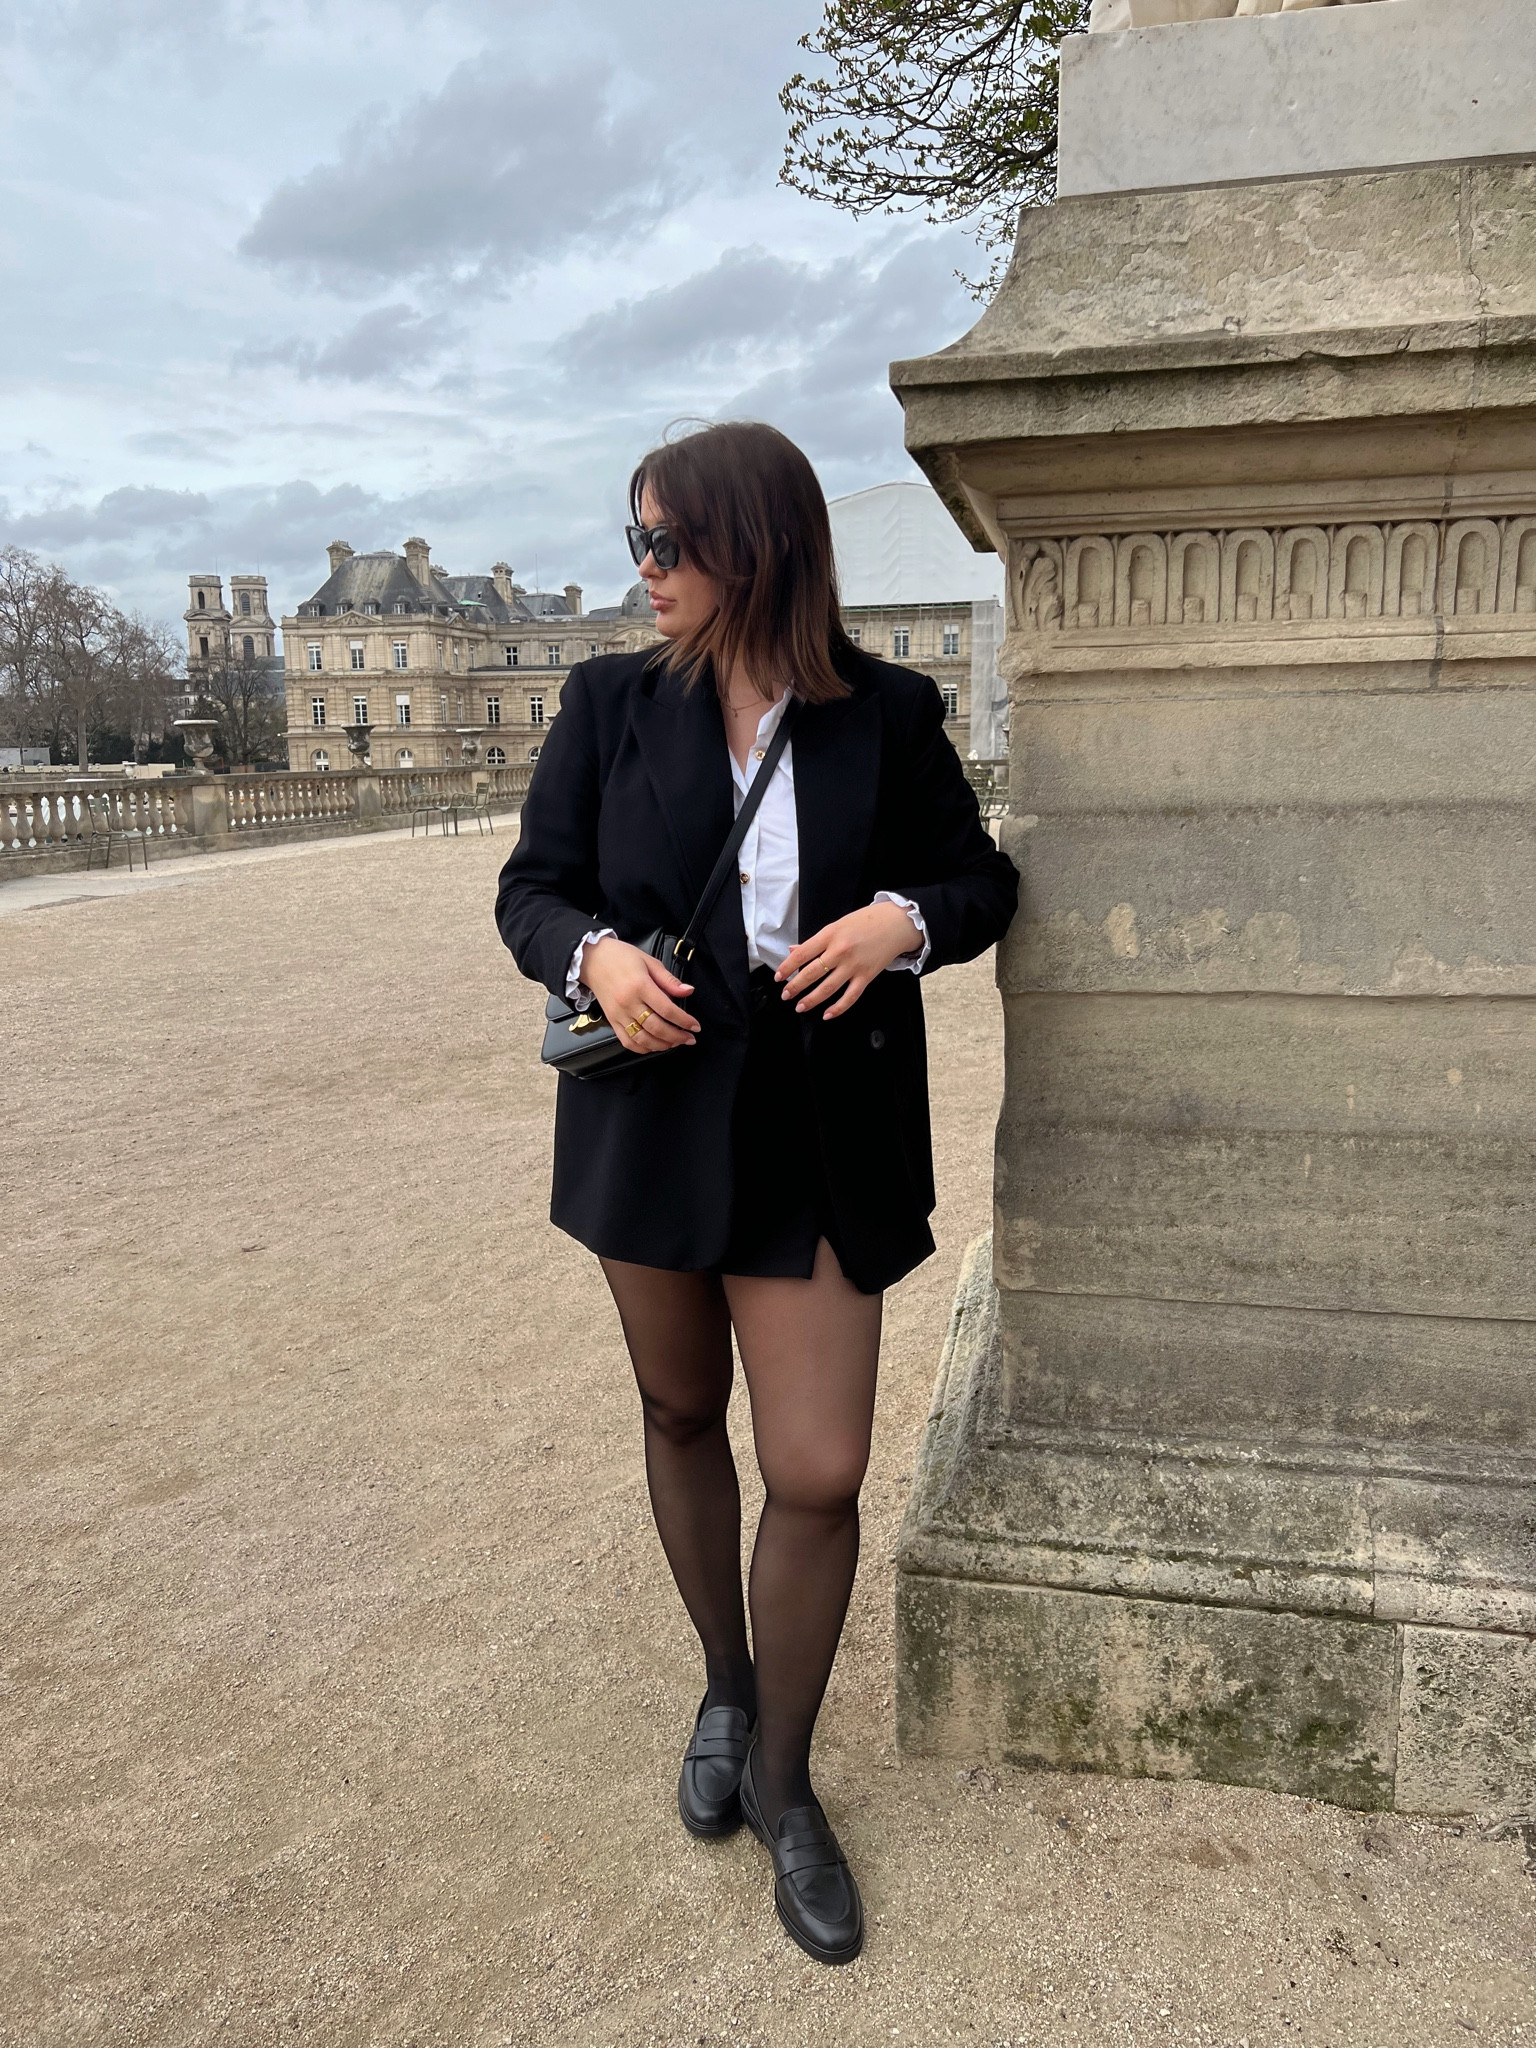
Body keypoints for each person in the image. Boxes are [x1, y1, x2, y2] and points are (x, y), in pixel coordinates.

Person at [495, 421, 1018, 1966]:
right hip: (650, 1117)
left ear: (759, 546)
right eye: (636, 539)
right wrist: (589, 952)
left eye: (668, 543)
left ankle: (785, 1781)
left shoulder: (891, 712)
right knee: (674, 1414)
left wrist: (900, 925)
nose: (642, 571)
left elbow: (981, 879)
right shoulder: (605, 703)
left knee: (818, 1469)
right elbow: (532, 885)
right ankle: (726, 1681)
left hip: (820, 1126)